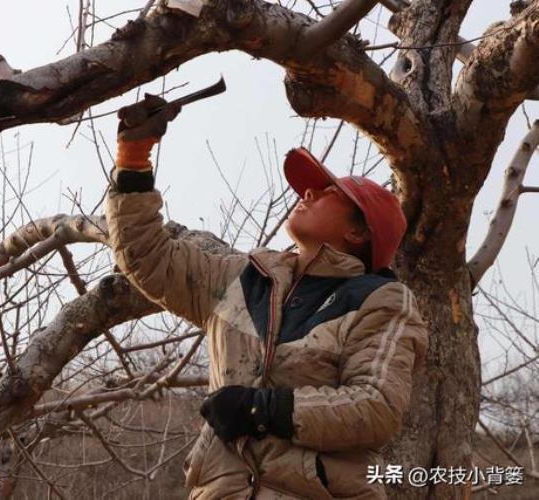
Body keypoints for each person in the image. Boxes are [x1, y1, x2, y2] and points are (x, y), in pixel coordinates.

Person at [105, 95, 429, 499]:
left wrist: (263, 410)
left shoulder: (381, 301)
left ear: (358, 233)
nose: (307, 194)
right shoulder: (242, 278)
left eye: (328, 192)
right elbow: (147, 258)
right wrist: (133, 157)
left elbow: (376, 405)